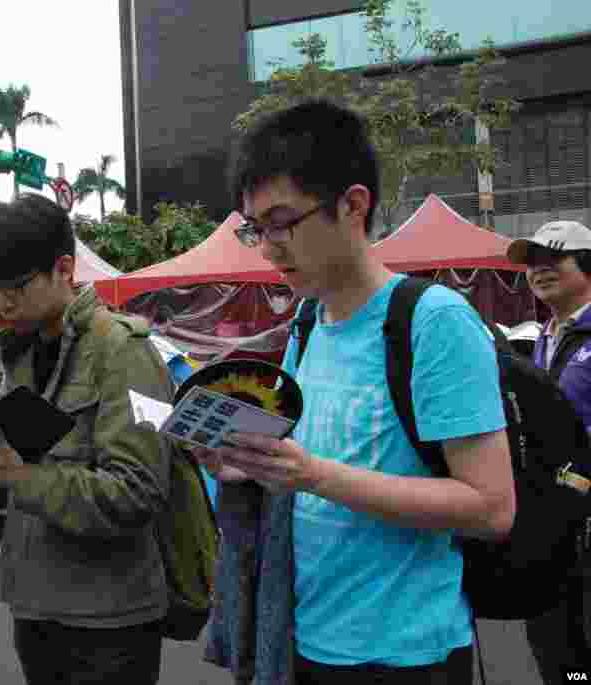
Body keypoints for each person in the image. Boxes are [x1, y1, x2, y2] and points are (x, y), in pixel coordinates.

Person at [195, 100, 515, 684]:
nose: (268, 248)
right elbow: (297, 464)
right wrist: (241, 461)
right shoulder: (308, 323)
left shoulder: (433, 322)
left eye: (283, 222)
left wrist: (311, 474)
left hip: (405, 657)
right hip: (302, 638)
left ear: (353, 204)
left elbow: (491, 509)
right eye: (255, 228)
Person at [0, 193, 174, 684]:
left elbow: (138, 490)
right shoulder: (22, 352)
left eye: (16, 286)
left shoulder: (124, 352)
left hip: (109, 618)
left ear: (64, 269)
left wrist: (20, 476)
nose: (2, 302)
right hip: (35, 604)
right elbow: (10, 468)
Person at [506, 220, 591, 684]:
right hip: (550, 529)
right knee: (555, 654)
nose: (539, 270)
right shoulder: (543, 337)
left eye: (553, 258)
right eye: (531, 263)